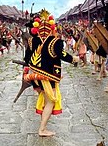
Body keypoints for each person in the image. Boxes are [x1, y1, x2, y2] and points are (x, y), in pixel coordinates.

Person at [23, 9, 79, 137]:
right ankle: (42, 129)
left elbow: (27, 59)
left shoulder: (32, 41)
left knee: (45, 98)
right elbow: (63, 55)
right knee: (50, 102)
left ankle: (43, 126)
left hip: (35, 76)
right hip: (48, 77)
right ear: (52, 28)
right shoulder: (56, 42)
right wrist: (74, 59)